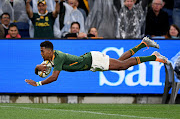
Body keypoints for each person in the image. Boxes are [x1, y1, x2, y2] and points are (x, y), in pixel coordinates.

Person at [25, 37, 169, 86]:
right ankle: (143, 44)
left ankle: (155, 57)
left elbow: (54, 77)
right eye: (40, 51)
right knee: (120, 62)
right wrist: (38, 67)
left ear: (50, 50)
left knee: (123, 66)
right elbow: (43, 67)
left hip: (93, 60)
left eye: (42, 51)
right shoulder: (53, 58)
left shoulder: (59, 57)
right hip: (92, 63)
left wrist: (38, 83)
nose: (41, 53)